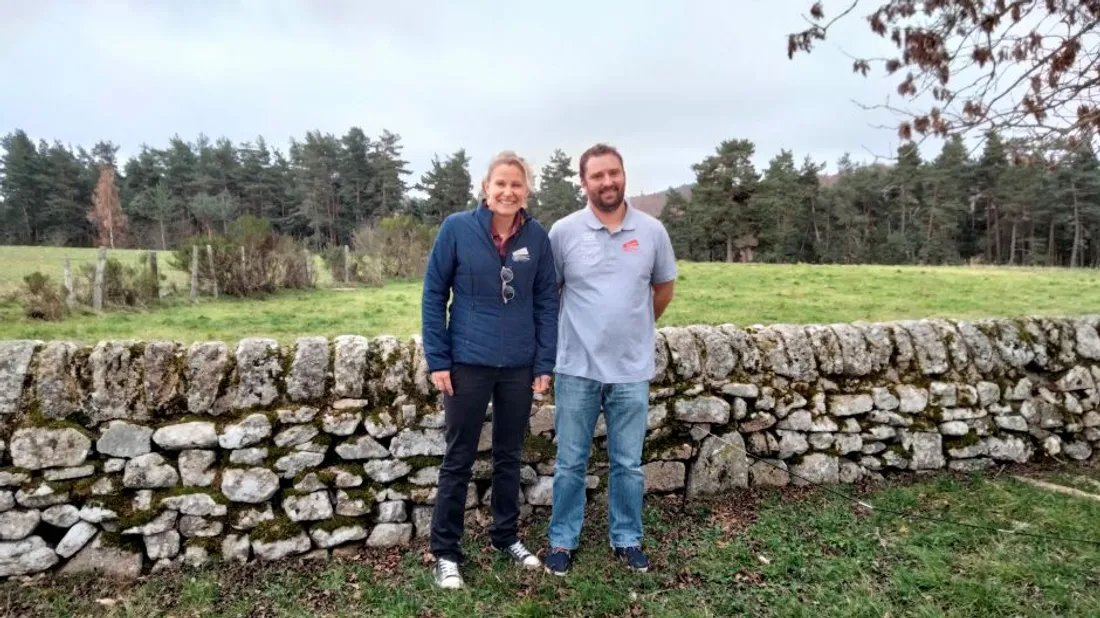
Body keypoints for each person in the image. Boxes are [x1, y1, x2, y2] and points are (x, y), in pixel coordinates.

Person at [420, 150, 559, 589]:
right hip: (466, 362)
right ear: (485, 188)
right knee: (458, 458)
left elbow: (546, 302)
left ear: (526, 191)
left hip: (518, 364)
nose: (507, 191)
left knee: (508, 456)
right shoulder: (457, 229)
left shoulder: (536, 238)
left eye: (516, 184)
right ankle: (446, 552)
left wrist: (544, 362)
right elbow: (433, 294)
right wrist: (439, 359)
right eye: (500, 183)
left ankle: (505, 536)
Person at [544, 143, 678, 576]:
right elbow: (552, 294)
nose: (607, 181)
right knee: (569, 462)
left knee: (628, 464)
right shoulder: (563, 232)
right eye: (597, 175)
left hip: (631, 370)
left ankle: (627, 538)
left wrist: (632, 329)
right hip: (576, 367)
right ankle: (562, 539)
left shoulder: (652, 231)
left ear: (624, 175)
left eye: (613, 173)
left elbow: (662, 290)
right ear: (583, 183)